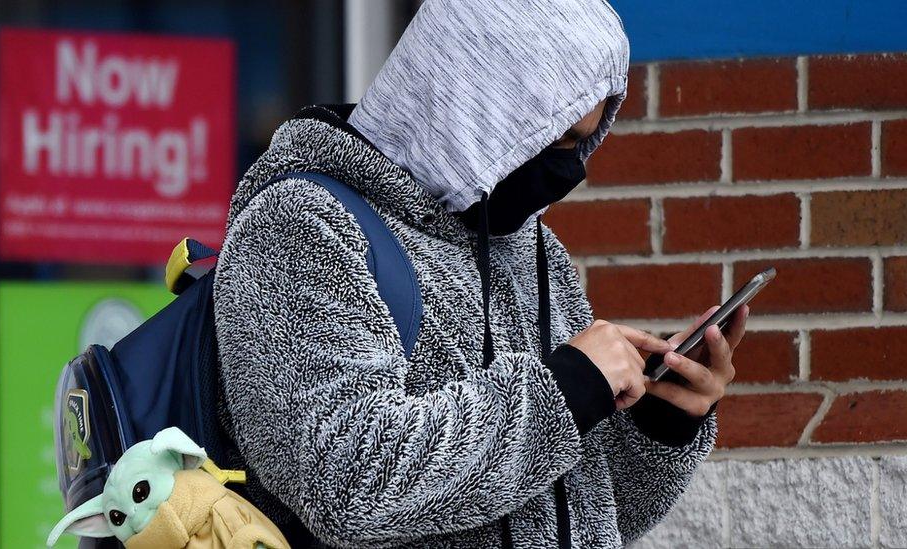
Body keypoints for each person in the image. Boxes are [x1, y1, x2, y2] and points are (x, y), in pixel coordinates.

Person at [212, 0, 747, 547]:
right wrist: (566, 390)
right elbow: (347, 488)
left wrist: (660, 422)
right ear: (482, 112)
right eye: (555, 139)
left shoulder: (529, 249)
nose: (572, 168)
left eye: (584, 141)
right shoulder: (304, 225)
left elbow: (583, 514)